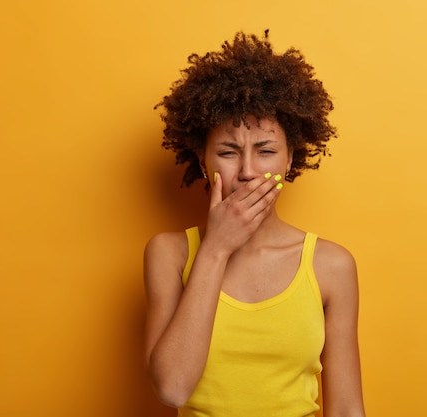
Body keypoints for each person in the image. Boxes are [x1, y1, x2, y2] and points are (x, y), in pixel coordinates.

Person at [144, 31, 365, 417]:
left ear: (289, 160)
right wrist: (216, 249)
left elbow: (346, 409)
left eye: (265, 151)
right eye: (228, 152)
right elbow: (173, 389)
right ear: (202, 161)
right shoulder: (170, 254)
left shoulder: (331, 265)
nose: (247, 172)